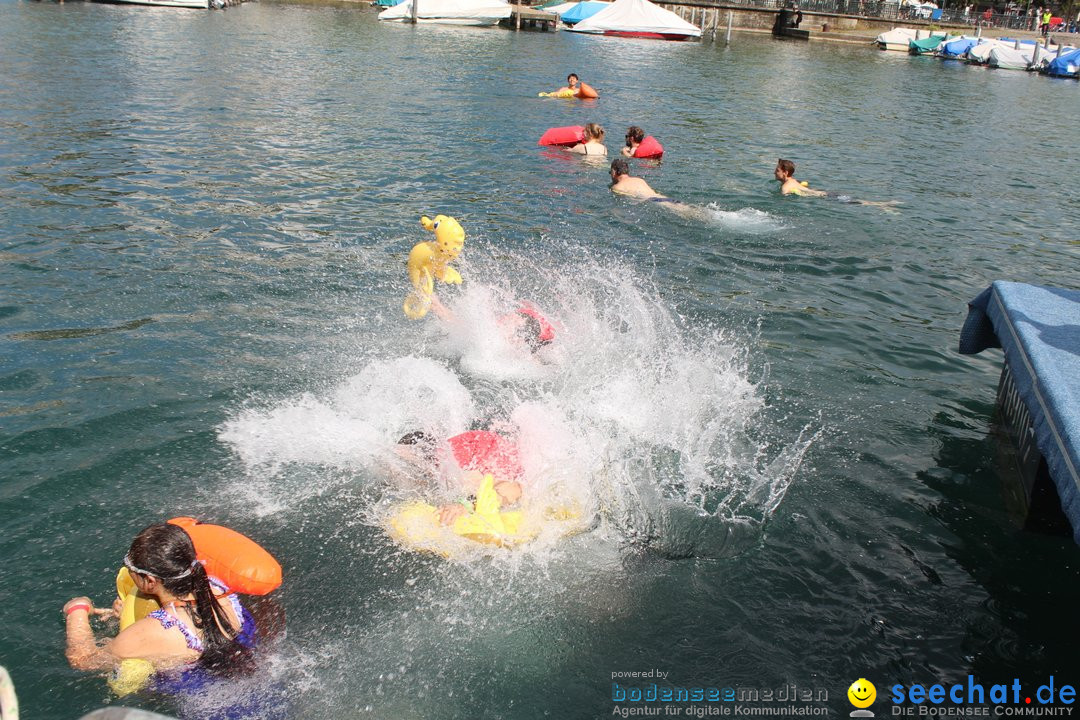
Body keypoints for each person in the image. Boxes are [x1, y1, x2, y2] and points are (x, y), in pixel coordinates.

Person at [63, 524, 256, 690]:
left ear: (149, 581)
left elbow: (84, 660)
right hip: (254, 679)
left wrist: (77, 611)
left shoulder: (153, 631)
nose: (128, 573)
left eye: (131, 570)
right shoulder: (218, 590)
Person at [395, 430, 524, 526]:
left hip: (510, 461)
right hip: (481, 444)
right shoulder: (445, 458)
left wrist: (465, 506)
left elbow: (514, 488)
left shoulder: (458, 470)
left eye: (406, 468)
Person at [774, 158, 899, 212]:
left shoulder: (785, 187)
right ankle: (884, 204)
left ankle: (882, 205)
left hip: (824, 197)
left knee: (857, 203)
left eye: (777, 170)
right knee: (856, 201)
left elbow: (784, 199)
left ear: (785, 172)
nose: (774, 172)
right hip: (826, 193)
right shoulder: (793, 181)